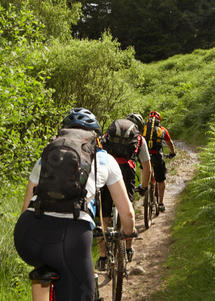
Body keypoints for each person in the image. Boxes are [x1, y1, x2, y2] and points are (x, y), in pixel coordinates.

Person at [13, 108, 137, 301]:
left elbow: (25, 207)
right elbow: (127, 213)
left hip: (26, 237)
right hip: (70, 239)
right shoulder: (105, 159)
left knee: (42, 269)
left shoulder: (46, 158)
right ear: (94, 135)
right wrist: (129, 233)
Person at [95, 113, 151, 271]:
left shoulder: (111, 132)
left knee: (103, 216)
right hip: (126, 173)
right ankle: (128, 249)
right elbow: (146, 168)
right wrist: (144, 186)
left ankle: (102, 257)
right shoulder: (139, 138)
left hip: (106, 169)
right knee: (127, 209)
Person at [143, 111, 176, 212]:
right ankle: (161, 203)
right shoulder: (162, 130)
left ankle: (144, 188)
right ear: (159, 120)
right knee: (161, 179)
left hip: (145, 156)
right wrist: (172, 153)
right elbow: (170, 143)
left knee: (144, 169)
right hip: (157, 156)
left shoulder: (143, 129)